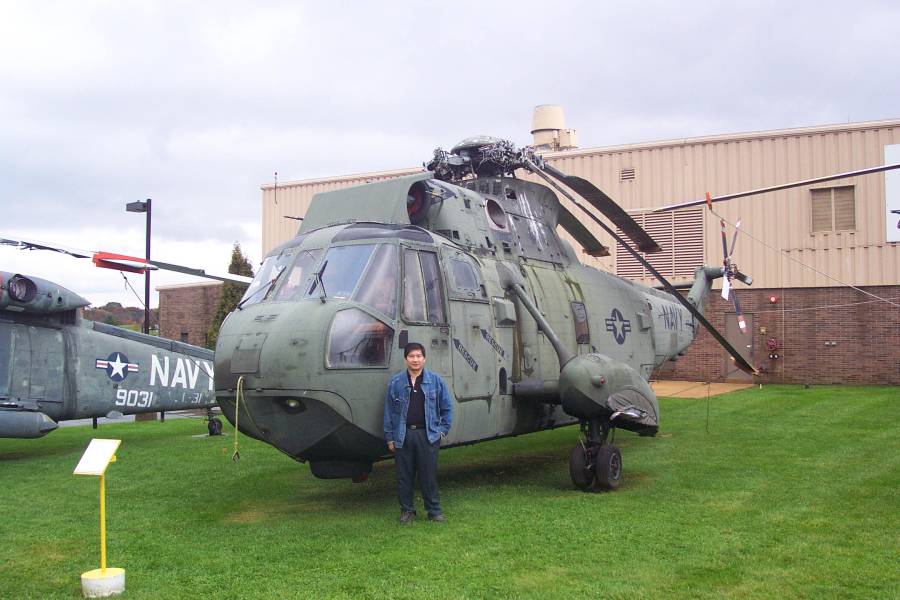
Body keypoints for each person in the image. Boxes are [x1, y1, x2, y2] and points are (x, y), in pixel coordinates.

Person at [383, 342, 453, 524]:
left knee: (428, 475)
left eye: (418, 356)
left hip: (428, 436)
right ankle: (407, 511)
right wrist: (390, 437)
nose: (415, 360)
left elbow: (447, 408)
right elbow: (389, 412)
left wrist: (442, 431)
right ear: (406, 359)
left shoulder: (436, 381)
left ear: (424, 358)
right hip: (403, 435)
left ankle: (434, 511)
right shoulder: (396, 383)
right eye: (411, 356)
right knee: (404, 476)